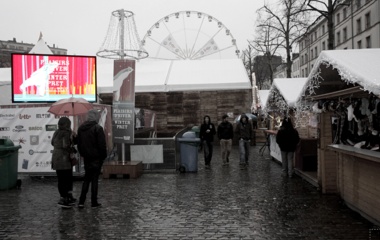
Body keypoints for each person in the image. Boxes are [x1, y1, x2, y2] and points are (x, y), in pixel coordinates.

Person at [77, 109, 107, 208]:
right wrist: (103, 156)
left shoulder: (81, 128)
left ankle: (81, 201)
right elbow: (102, 145)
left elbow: (79, 144)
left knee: (86, 179)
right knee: (94, 180)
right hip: (96, 158)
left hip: (86, 158)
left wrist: (83, 154)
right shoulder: (98, 128)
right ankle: (94, 202)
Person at [51, 117, 77, 208]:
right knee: (66, 179)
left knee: (61, 179)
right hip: (64, 159)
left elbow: (52, 143)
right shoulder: (66, 132)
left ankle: (66, 196)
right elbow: (66, 145)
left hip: (56, 158)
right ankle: (65, 198)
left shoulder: (56, 132)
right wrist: (73, 149)